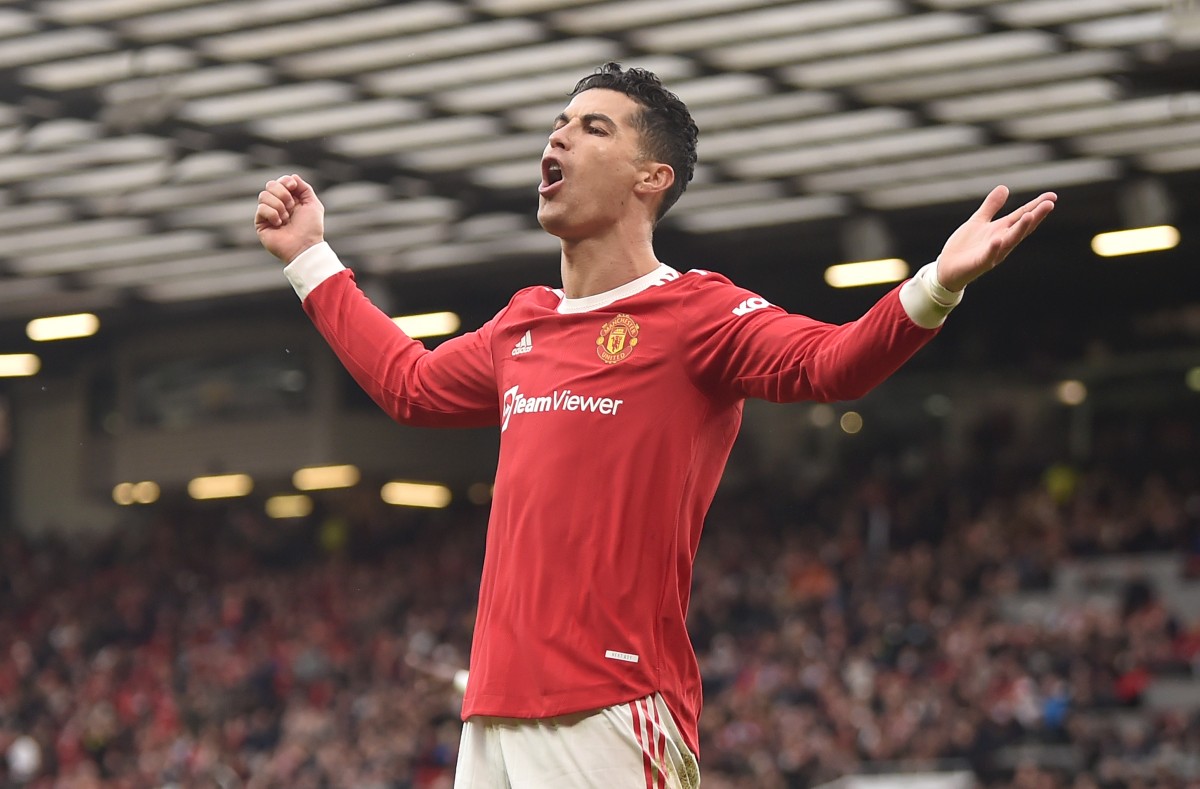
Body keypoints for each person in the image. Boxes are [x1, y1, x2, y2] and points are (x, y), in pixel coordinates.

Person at [254, 62, 1056, 788]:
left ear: (652, 178)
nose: (561, 134)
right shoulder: (522, 325)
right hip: (493, 714)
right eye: (559, 123)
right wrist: (311, 259)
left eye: (593, 126)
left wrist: (937, 284)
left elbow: (831, 364)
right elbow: (410, 385)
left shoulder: (697, 313)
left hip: (612, 705)